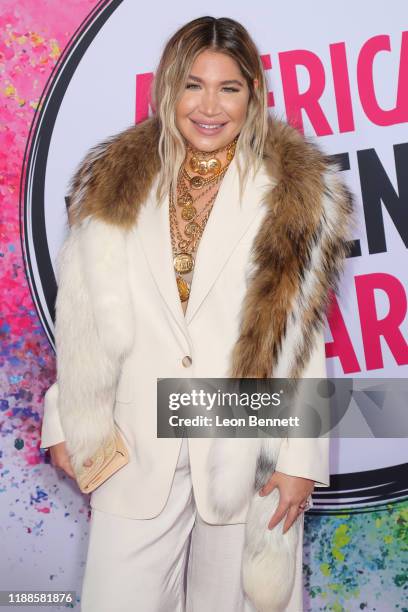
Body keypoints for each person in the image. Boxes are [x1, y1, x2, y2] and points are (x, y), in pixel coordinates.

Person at [40, 16, 353, 612]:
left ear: (253, 94)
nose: (209, 105)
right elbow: (80, 310)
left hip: (244, 443)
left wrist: (300, 458)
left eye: (228, 88)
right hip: (132, 441)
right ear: (167, 89)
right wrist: (66, 417)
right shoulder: (112, 182)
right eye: (192, 85)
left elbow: (303, 337)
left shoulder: (291, 192)